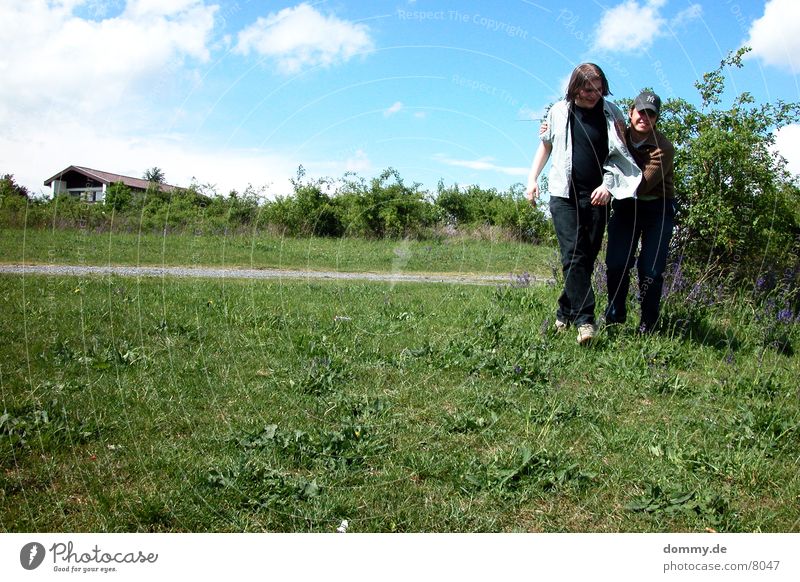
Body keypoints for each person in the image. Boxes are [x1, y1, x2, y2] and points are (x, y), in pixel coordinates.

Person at [526, 63, 641, 344]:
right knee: (572, 254)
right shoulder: (558, 111)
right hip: (563, 194)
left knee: (586, 259)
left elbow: (620, 155)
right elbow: (546, 145)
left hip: (597, 195)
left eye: (599, 89)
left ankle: (564, 312)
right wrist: (531, 180)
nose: (593, 95)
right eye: (588, 89)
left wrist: (608, 185)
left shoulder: (610, 113)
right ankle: (585, 321)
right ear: (575, 86)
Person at [604, 91, 675, 333]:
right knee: (616, 263)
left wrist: (608, 185)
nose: (645, 117)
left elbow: (640, 184)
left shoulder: (663, 148)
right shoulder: (618, 134)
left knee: (651, 270)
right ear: (631, 112)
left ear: (656, 119)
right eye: (641, 111)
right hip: (626, 207)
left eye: (651, 114)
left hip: (658, 207)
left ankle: (649, 324)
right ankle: (615, 316)